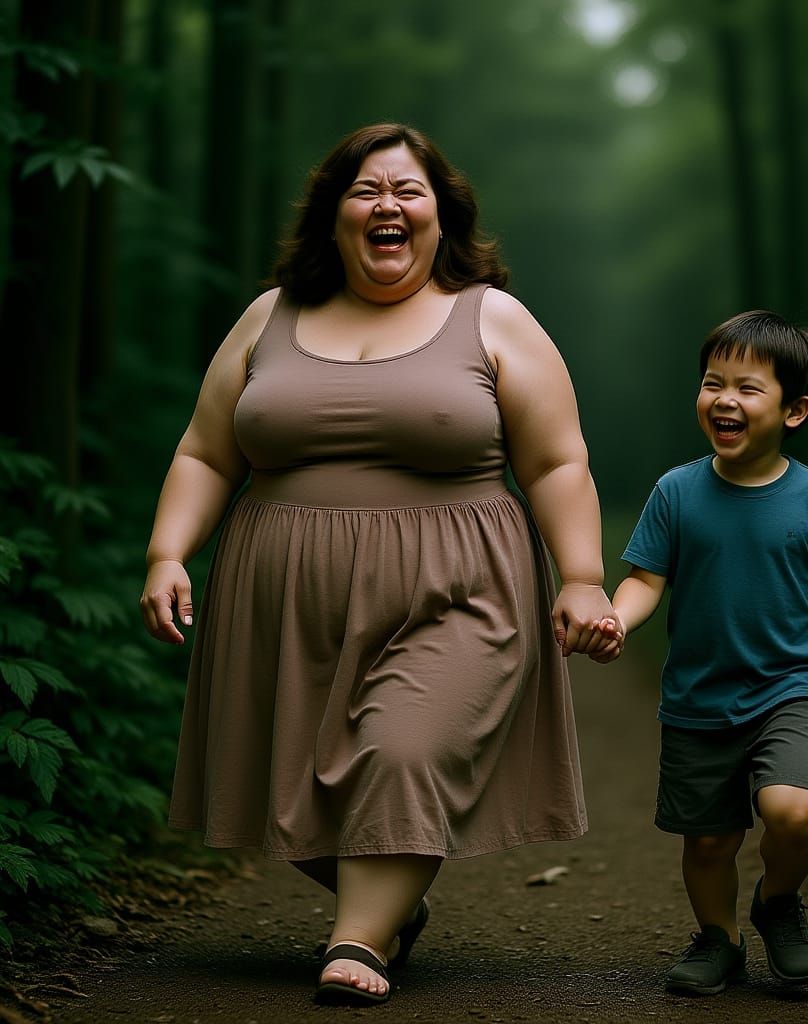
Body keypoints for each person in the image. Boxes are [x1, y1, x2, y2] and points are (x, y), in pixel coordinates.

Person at [139, 122, 614, 1006]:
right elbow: (206, 452)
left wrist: (582, 574)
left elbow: (558, 462)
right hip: (282, 604)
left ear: (443, 216)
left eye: (408, 191)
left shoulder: (491, 317)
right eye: (366, 190)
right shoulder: (270, 315)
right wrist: (169, 552)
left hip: (460, 588)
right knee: (304, 805)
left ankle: (357, 939)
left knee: (404, 750)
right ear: (334, 215)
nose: (387, 205)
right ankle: (390, 900)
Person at [579, 310, 808, 995]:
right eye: (713, 383)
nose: (724, 399)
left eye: (747, 388)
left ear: (795, 410)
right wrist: (618, 621)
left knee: (793, 811)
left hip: (791, 689)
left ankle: (778, 900)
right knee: (710, 841)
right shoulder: (677, 492)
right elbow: (644, 580)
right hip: (699, 697)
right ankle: (718, 937)